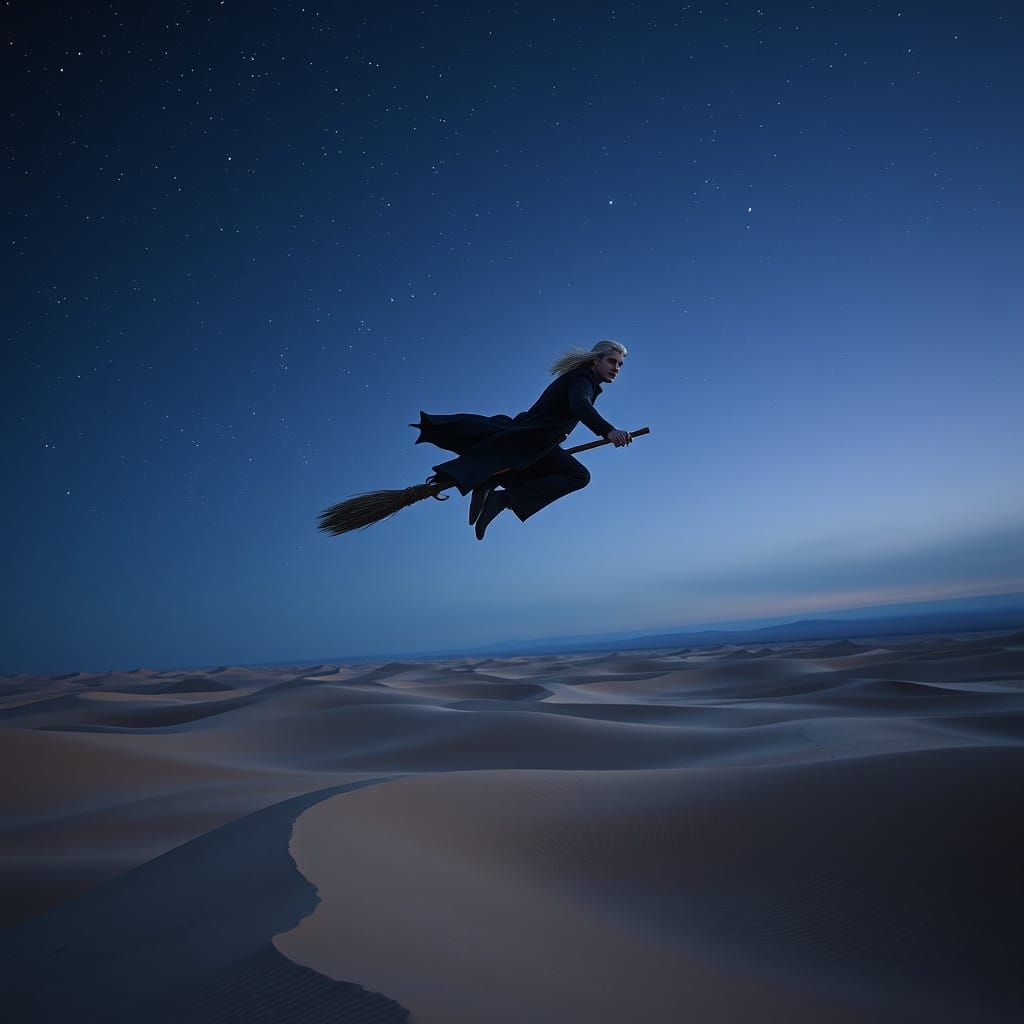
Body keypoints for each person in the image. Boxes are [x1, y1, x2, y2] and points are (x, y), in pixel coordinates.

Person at [410, 340, 631, 539]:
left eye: (620, 364)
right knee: (578, 475)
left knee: (551, 473)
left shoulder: (583, 379)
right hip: (533, 440)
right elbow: (580, 406)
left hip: (536, 441)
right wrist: (608, 431)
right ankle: (501, 499)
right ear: (596, 360)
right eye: (612, 361)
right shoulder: (582, 378)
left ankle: (489, 482)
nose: (616, 368)